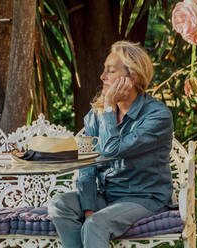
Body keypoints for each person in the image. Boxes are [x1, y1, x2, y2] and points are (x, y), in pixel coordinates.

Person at [48, 40, 174, 248]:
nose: (102, 77)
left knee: (96, 224)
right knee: (60, 205)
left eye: (110, 71)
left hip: (144, 199)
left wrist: (108, 107)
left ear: (132, 77)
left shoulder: (157, 116)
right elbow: (87, 165)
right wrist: (88, 206)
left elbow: (112, 150)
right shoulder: (94, 117)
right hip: (107, 197)